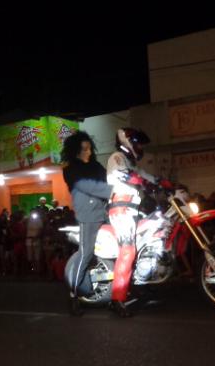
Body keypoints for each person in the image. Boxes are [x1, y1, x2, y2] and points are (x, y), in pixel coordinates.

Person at [106, 127, 170, 317]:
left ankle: (141, 289)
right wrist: (143, 182)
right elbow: (123, 175)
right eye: (138, 143)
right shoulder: (117, 157)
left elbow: (147, 176)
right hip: (121, 209)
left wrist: (164, 183)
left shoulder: (132, 163)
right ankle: (116, 299)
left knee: (148, 240)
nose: (140, 146)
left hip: (134, 210)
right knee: (128, 250)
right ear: (128, 142)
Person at [61, 131, 113, 316]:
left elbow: (110, 179)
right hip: (88, 215)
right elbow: (85, 185)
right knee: (86, 254)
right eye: (84, 149)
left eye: (90, 148)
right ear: (75, 151)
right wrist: (111, 191)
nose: (88, 152)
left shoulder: (96, 166)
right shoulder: (70, 169)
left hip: (106, 213)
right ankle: (73, 295)